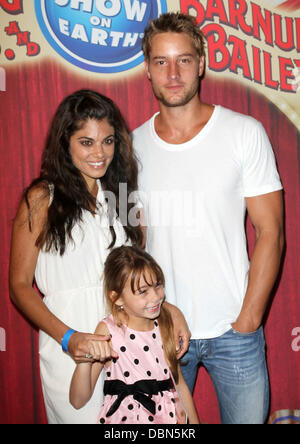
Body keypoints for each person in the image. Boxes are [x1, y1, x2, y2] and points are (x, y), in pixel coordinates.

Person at [132, 13, 284, 424]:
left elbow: (271, 232)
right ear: (147, 70)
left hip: (235, 332)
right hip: (159, 330)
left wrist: (248, 319)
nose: (174, 72)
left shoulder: (243, 133)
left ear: (201, 63)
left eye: (184, 59)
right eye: (161, 62)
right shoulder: (131, 147)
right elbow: (135, 242)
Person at [9, 90, 190, 424]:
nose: (99, 153)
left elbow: (134, 279)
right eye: (86, 142)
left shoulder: (123, 198)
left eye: (107, 141)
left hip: (128, 341)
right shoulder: (41, 197)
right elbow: (19, 286)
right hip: (72, 345)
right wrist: (68, 338)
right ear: (65, 143)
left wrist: (168, 309)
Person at [69, 245, 200, 424]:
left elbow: (180, 385)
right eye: (143, 291)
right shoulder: (108, 331)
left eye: (158, 285)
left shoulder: (164, 324)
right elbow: (78, 400)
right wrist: (84, 360)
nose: (155, 297)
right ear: (117, 298)